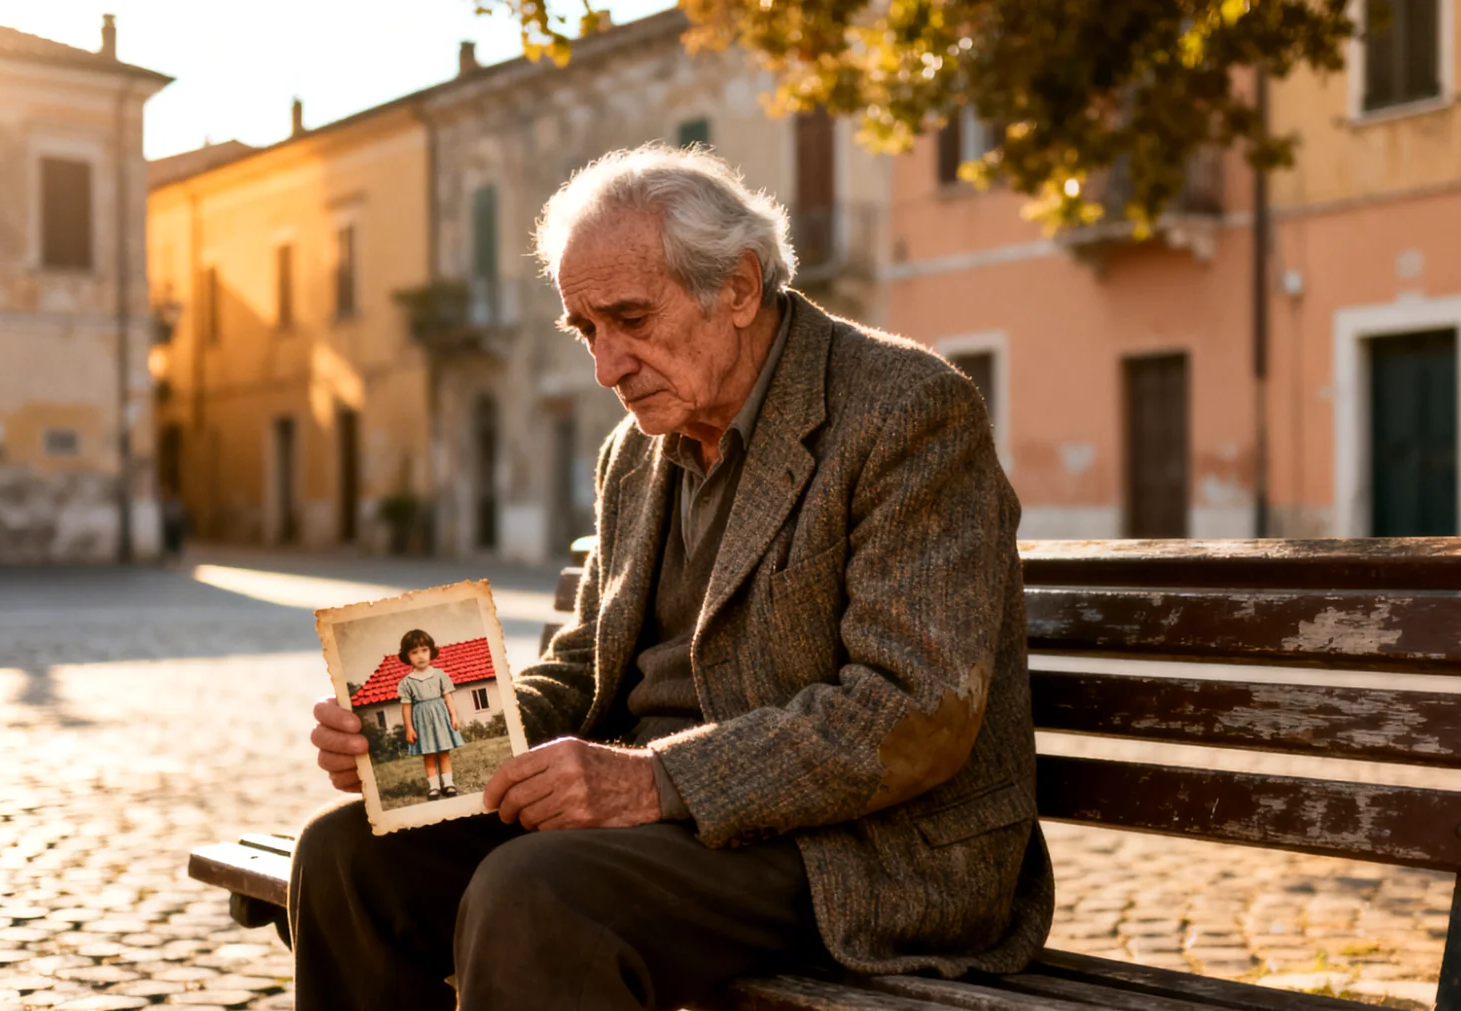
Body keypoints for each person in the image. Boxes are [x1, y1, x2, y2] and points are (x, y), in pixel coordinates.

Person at [297, 145, 1052, 1011]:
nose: (605, 367)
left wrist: (655, 781)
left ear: (736, 287)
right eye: (587, 329)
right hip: (667, 827)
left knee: (537, 892)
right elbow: (584, 666)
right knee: (346, 857)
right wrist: (435, 745)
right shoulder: (635, 450)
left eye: (630, 320)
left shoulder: (905, 407)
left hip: (860, 841)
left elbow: (913, 708)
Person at [396, 629, 466, 800]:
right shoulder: (406, 683)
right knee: (428, 755)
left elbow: (448, 698)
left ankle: (448, 784)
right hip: (422, 723)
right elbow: (406, 707)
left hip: (441, 719)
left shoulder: (440, 675)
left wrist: (454, 717)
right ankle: (434, 787)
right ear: (407, 656)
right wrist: (409, 729)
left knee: (443, 753)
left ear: (431, 651)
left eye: (424, 650)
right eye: (414, 652)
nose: (420, 656)